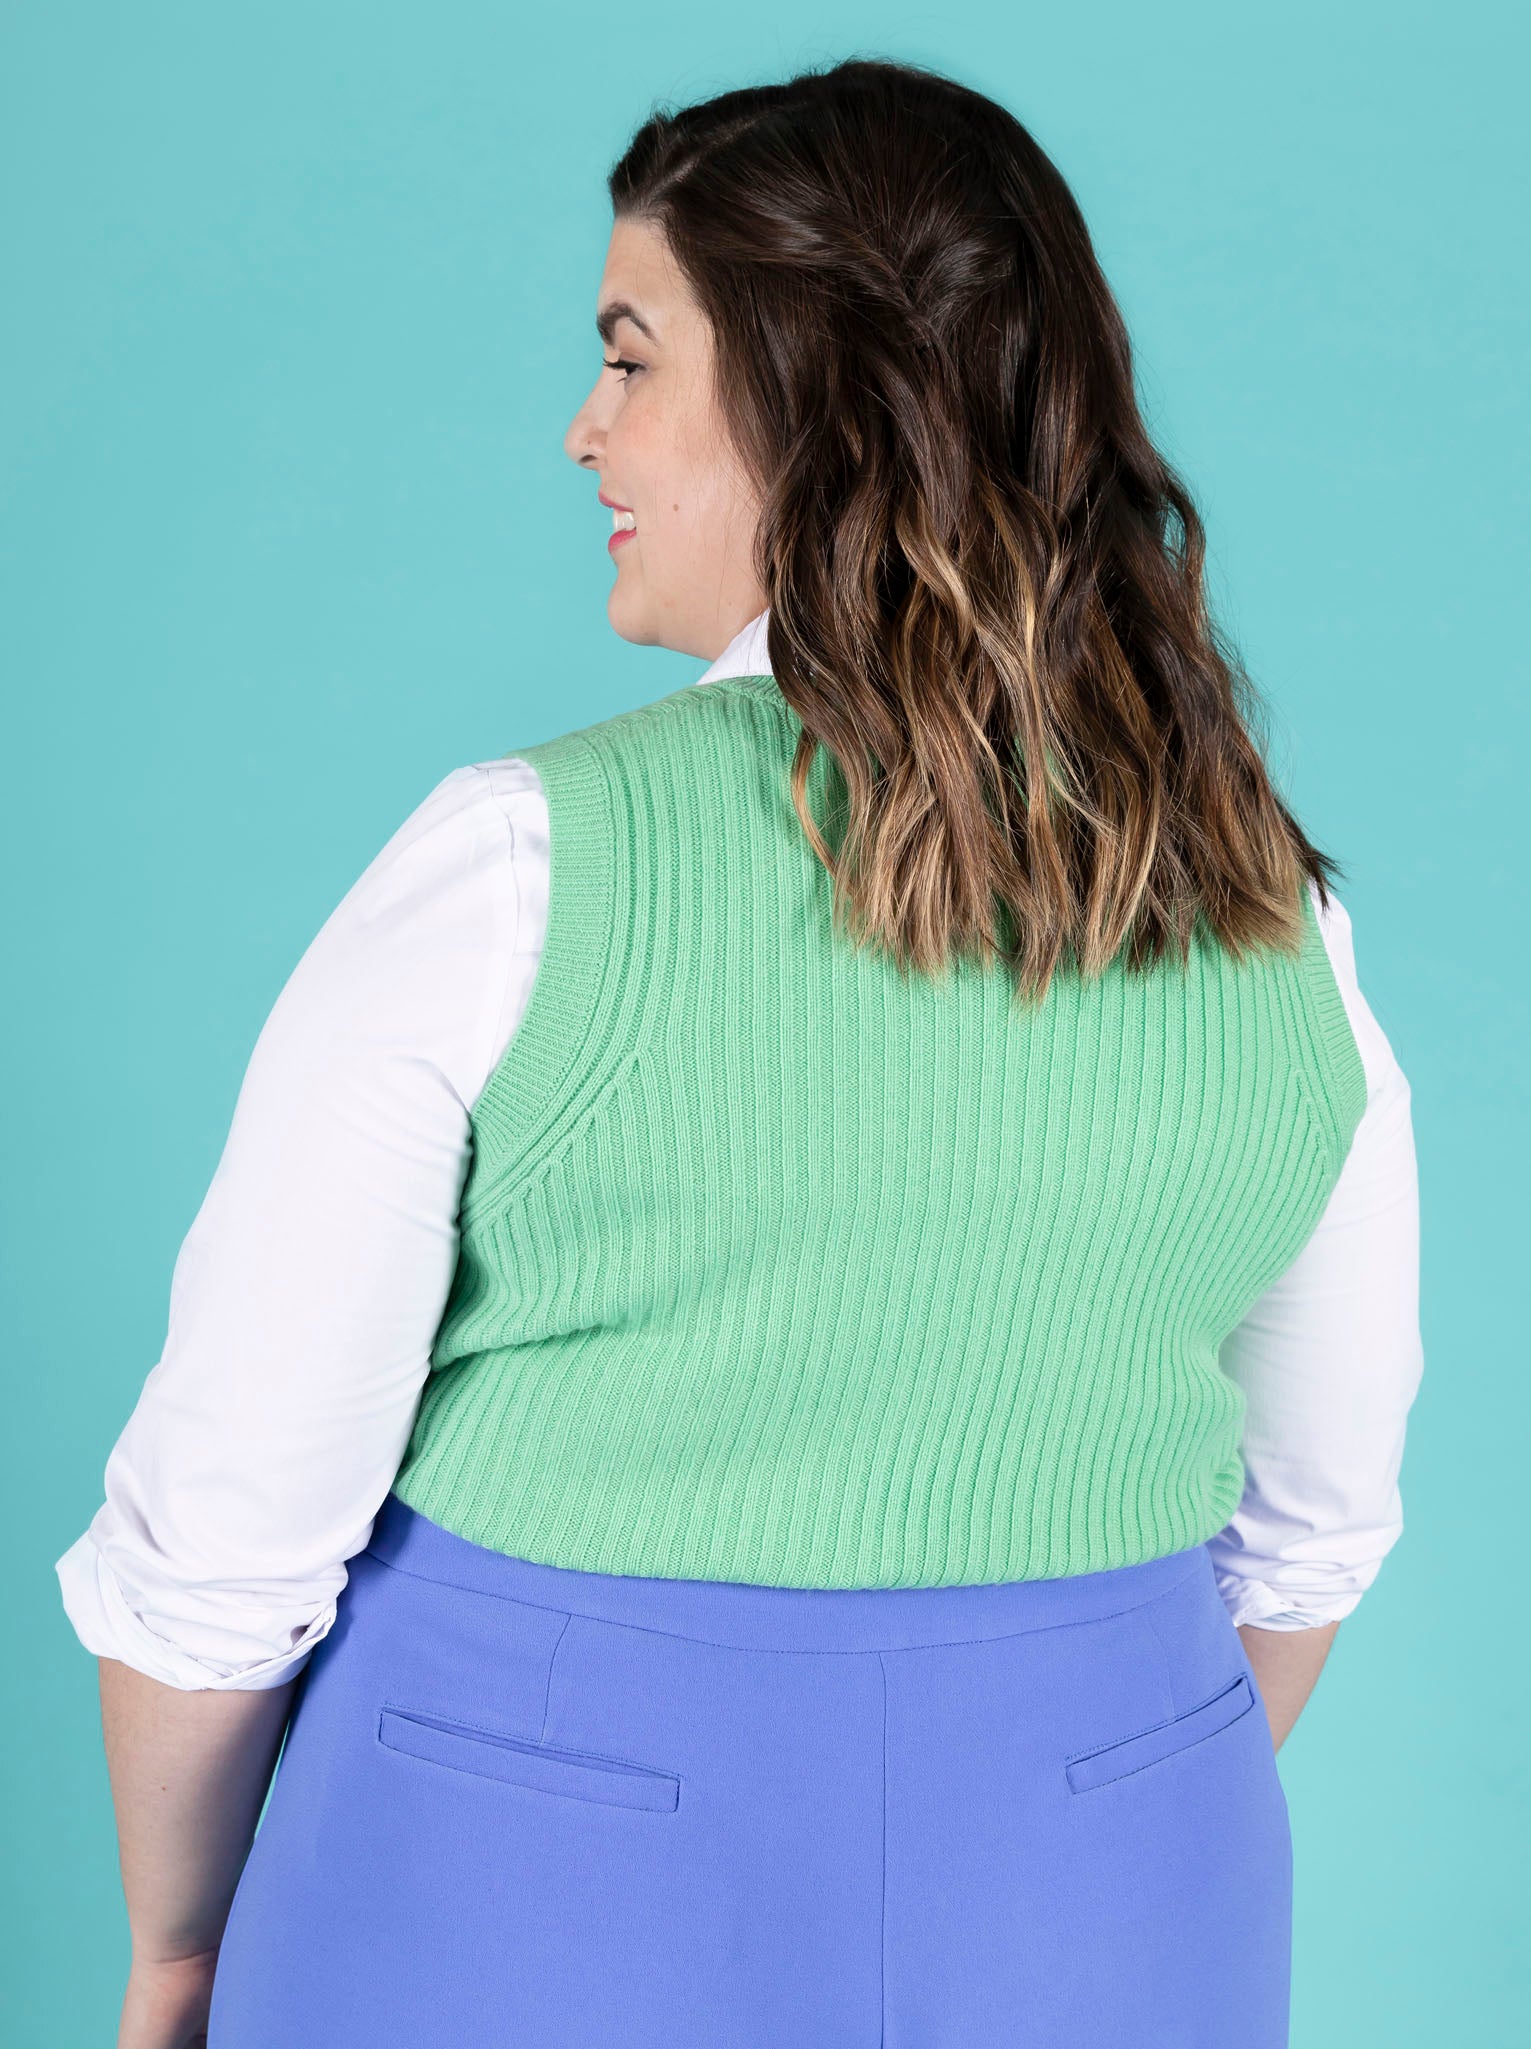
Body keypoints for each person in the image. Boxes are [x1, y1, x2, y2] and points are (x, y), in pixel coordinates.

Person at [56, 55, 1423, 2049]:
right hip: (1107, 1905)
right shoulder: (1266, 907)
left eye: (631, 358)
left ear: (804, 390)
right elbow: (1312, 1524)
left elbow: (225, 1534)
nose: (582, 427)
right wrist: (1056, 1787)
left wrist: (180, 1944)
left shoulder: (515, 869)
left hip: (507, 1894)